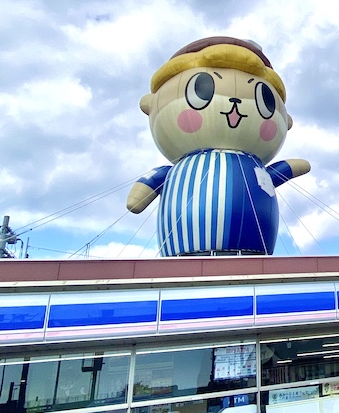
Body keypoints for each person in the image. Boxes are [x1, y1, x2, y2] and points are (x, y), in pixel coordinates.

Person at [127, 37, 310, 256]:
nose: (235, 104)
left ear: (286, 121)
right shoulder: (177, 172)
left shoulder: (256, 169)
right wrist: (142, 192)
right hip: (184, 254)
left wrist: (287, 168)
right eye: (200, 91)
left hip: (254, 254)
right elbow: (139, 197)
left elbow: (270, 177)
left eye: (265, 101)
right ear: (151, 105)